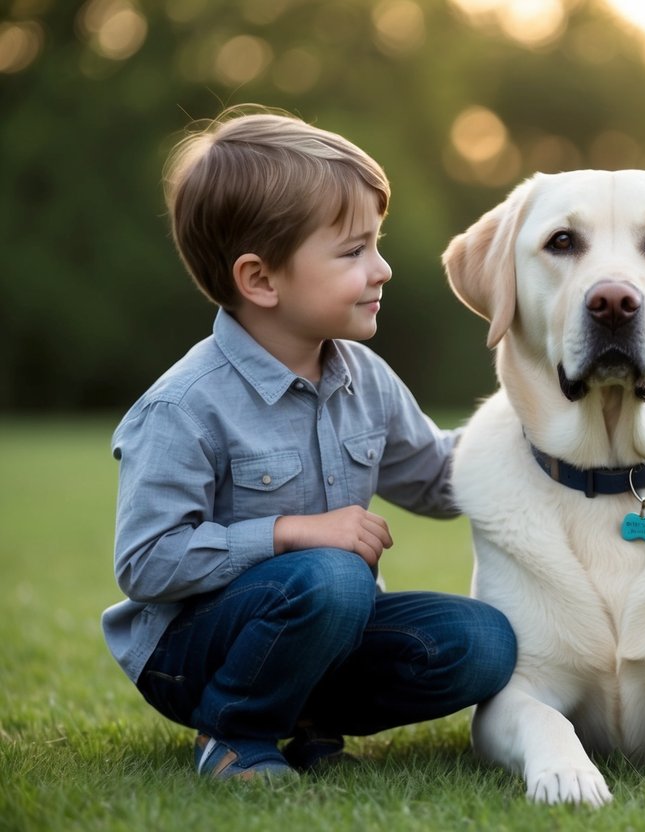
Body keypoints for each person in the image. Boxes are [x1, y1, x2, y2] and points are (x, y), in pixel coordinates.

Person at [101, 106, 517, 781]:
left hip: (330, 627)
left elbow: (441, 480)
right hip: (193, 656)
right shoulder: (184, 405)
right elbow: (147, 563)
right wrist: (290, 532)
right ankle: (235, 733)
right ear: (260, 279)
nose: (380, 269)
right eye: (353, 251)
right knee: (332, 572)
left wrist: (539, 417)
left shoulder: (365, 379)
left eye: (375, 244)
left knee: (483, 640)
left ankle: (305, 713)